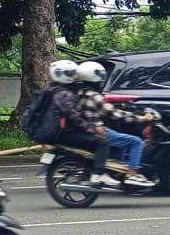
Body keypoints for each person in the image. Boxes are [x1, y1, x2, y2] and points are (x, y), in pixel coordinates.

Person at [72, 60, 157, 188]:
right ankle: (132, 175)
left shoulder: (80, 94)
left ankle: (117, 172)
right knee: (136, 142)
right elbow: (115, 114)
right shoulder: (94, 96)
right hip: (97, 130)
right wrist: (142, 118)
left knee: (121, 140)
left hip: (86, 131)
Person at [47, 59, 119, 186]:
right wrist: (91, 128)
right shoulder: (63, 94)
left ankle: (90, 170)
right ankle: (98, 175)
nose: (74, 76)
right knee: (103, 142)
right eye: (70, 73)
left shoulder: (57, 91)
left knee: (94, 143)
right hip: (65, 133)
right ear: (60, 74)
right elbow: (74, 116)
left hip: (61, 131)